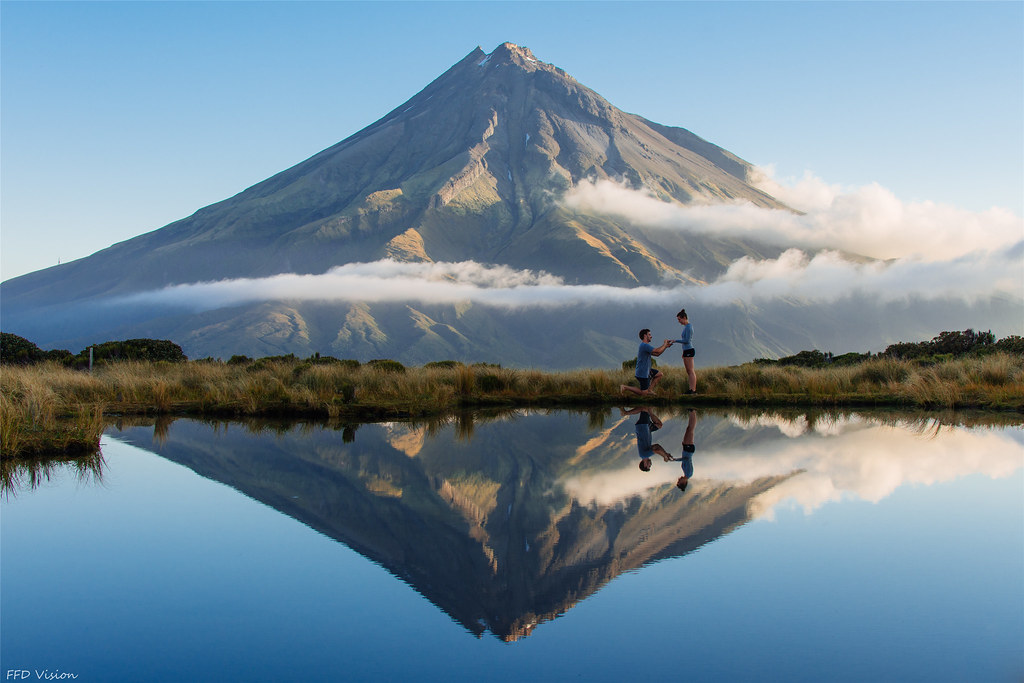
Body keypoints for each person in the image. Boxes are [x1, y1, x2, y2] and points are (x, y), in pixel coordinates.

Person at [620, 328, 673, 397]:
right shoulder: (644, 345)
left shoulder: (645, 346)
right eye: (649, 335)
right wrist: (665, 344)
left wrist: (665, 346)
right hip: (642, 372)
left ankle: (650, 390)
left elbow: (657, 354)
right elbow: (657, 351)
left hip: (647, 370)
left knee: (659, 374)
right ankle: (624, 387)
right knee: (643, 393)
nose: (651, 336)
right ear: (645, 336)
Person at [621, 406, 673, 471]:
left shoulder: (644, 455)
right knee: (659, 425)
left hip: (642, 428)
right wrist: (666, 454)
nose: (650, 464)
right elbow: (657, 446)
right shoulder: (646, 454)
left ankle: (625, 413)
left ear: (645, 465)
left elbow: (657, 451)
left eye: (649, 466)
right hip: (647, 430)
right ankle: (650, 411)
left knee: (644, 409)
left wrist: (664, 456)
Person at [673, 308, 697, 394]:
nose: (679, 321)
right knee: (688, 371)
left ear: (684, 318)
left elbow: (687, 341)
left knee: (691, 371)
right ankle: (691, 389)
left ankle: (693, 390)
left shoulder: (689, 327)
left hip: (689, 350)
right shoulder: (686, 327)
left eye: (679, 319)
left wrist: (675, 341)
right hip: (686, 350)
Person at [675, 408, 697, 491]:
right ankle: (693, 412)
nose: (678, 479)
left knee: (689, 429)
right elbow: (686, 459)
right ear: (683, 483)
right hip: (688, 450)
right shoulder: (689, 473)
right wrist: (676, 460)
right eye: (679, 481)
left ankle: (691, 412)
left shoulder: (686, 473)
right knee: (690, 430)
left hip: (686, 449)